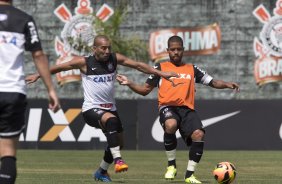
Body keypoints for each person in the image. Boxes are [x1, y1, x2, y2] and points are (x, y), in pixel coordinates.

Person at [26, 34, 177, 182]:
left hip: (110, 108)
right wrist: (37, 75)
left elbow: (138, 65)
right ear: (94, 48)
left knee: (119, 143)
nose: (106, 51)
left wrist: (161, 73)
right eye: (103, 48)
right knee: (111, 121)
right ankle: (118, 160)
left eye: (108, 48)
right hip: (91, 109)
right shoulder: (84, 62)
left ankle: (101, 171)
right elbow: (59, 67)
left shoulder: (114, 58)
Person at [116, 35, 240, 183]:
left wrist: (227, 84)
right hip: (168, 107)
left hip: (187, 109)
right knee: (171, 124)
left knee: (199, 134)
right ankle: (171, 166)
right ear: (168, 51)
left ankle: (189, 175)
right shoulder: (160, 68)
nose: (176, 52)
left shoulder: (192, 69)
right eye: (173, 49)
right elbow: (144, 90)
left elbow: (212, 82)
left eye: (179, 49)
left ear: (183, 50)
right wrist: (129, 83)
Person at [0, 0, 60, 183]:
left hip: (11, 90)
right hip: (12, 91)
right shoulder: (24, 19)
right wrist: (51, 89)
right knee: (8, 151)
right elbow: (38, 55)